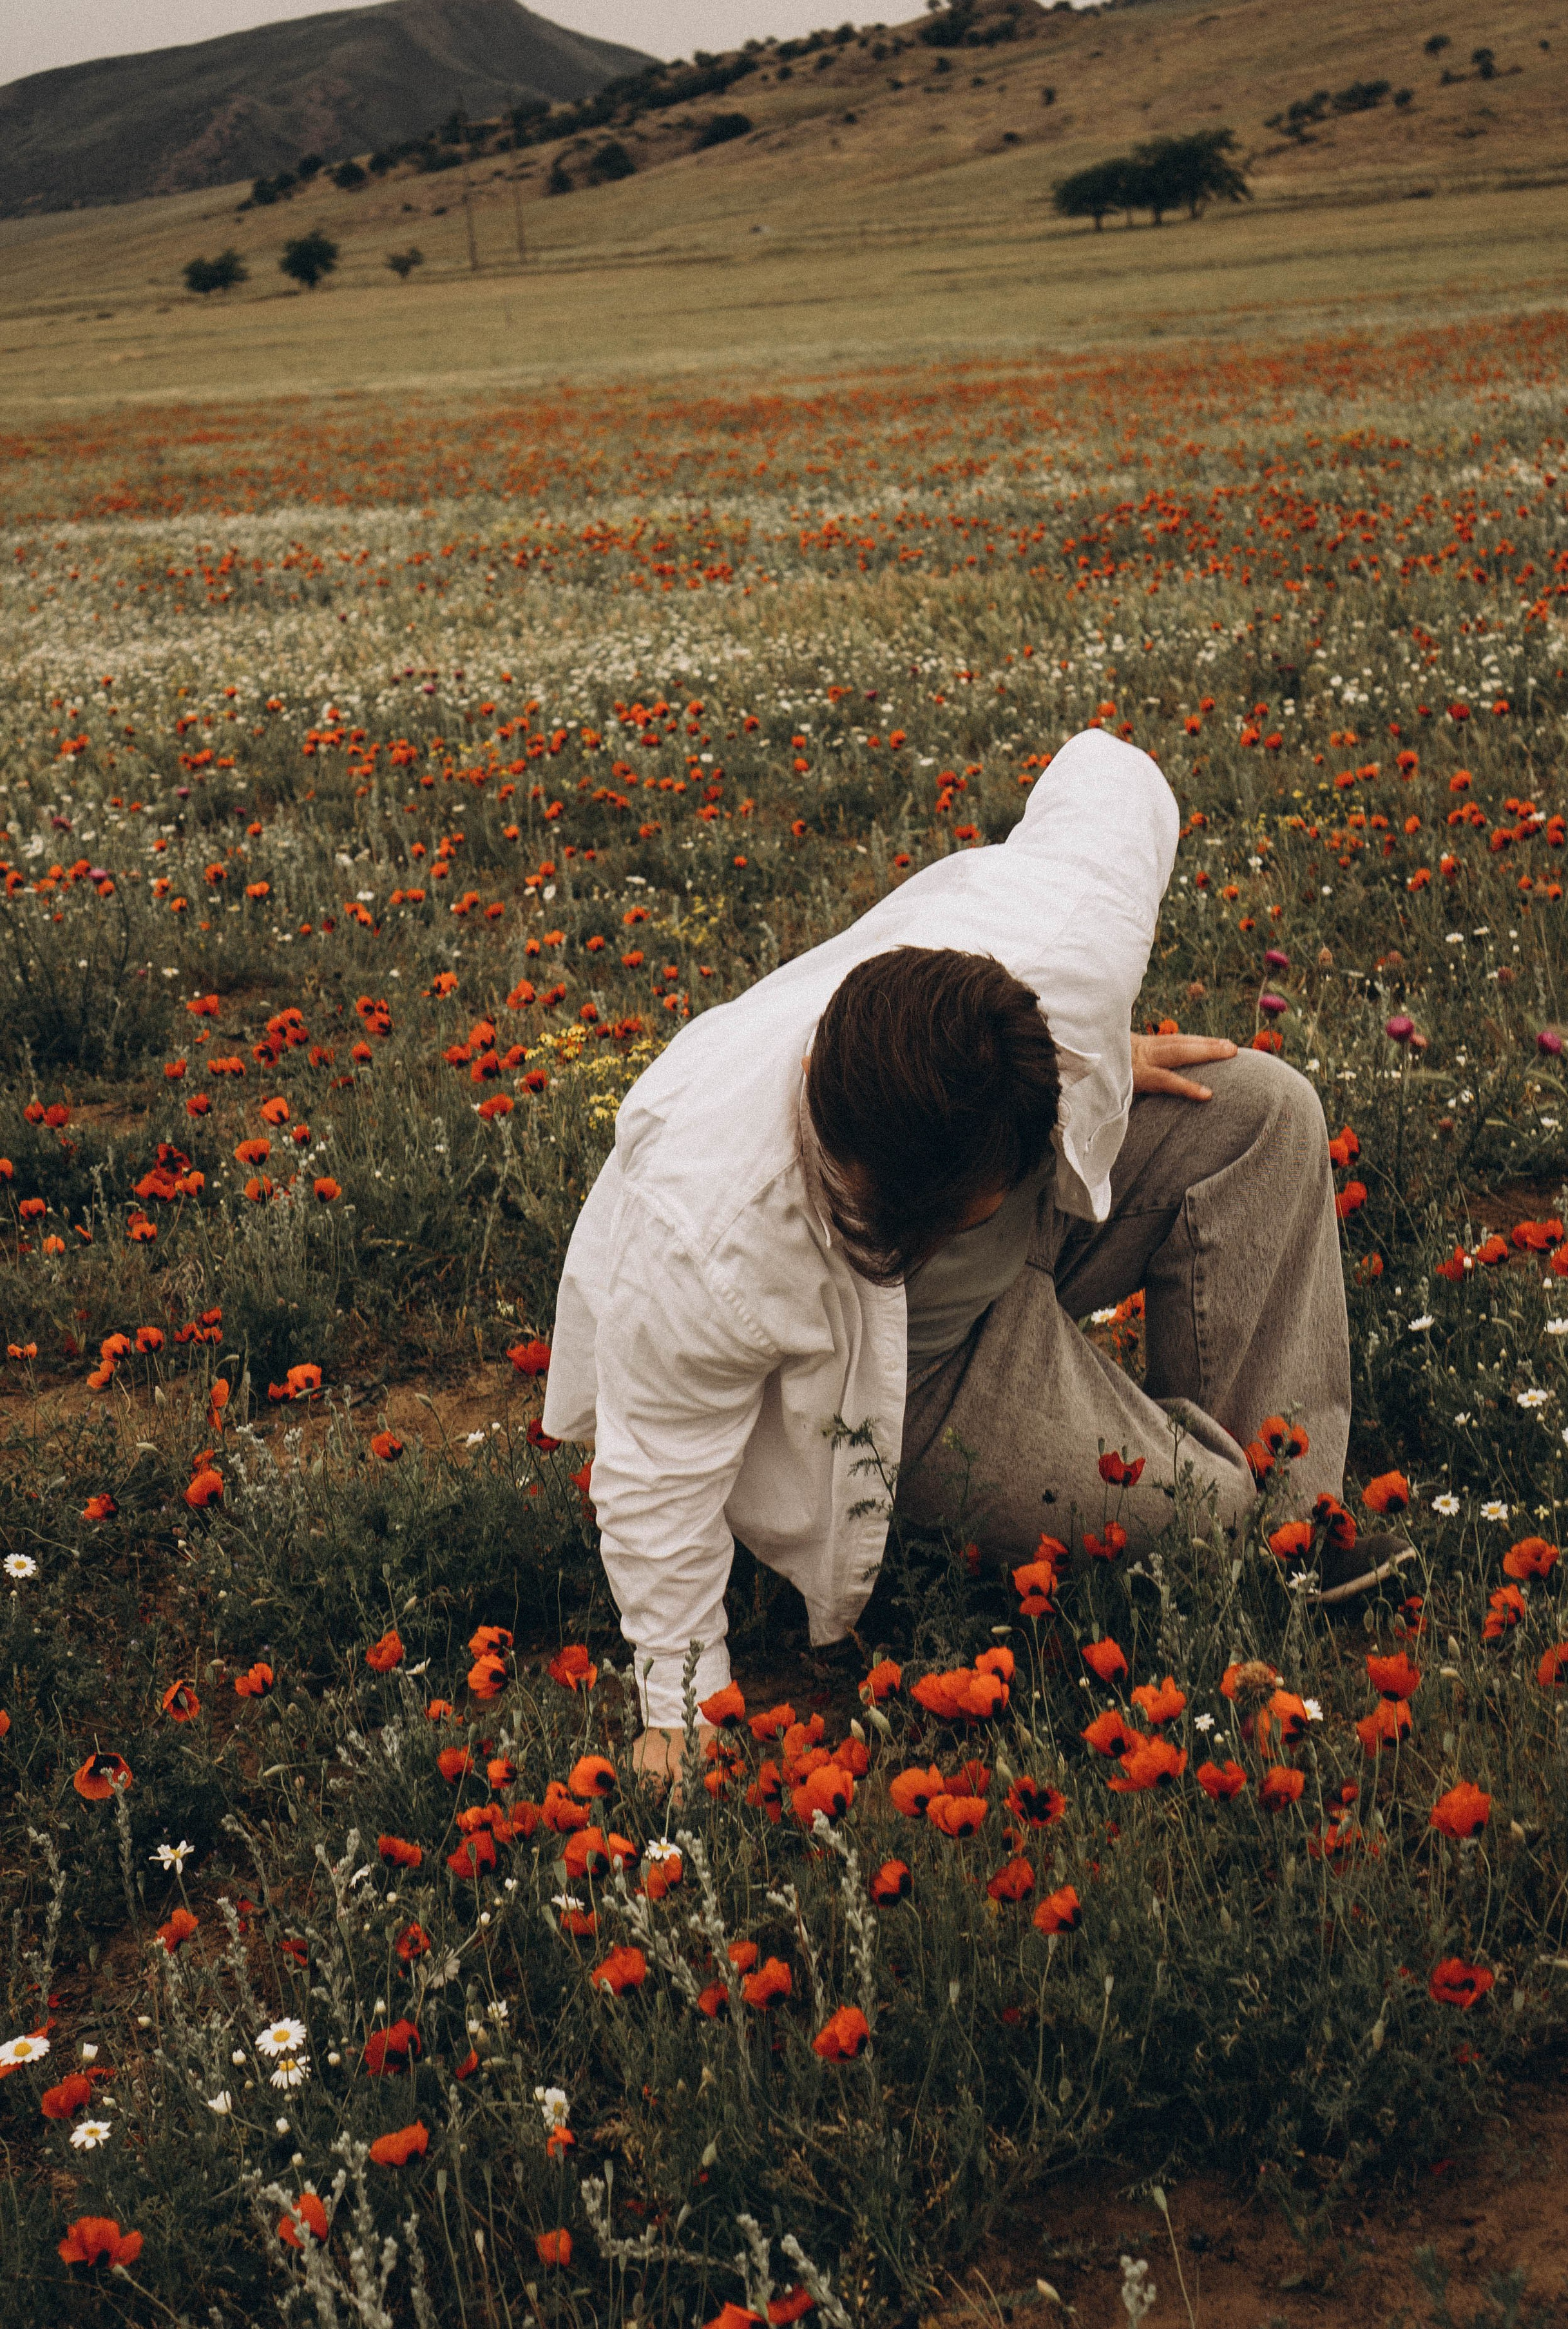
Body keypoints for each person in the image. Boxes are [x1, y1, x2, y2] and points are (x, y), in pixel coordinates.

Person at [541, 725, 1374, 1780]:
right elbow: (656, 1472)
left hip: (1022, 1185)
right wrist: (678, 1711)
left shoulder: (1061, 950)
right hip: (909, 1368)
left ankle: (1301, 1536)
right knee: (1203, 1521)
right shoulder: (710, 1232)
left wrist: (1100, 1056)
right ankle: (1237, 1532)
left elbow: (1110, 775)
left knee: (1264, 1115)